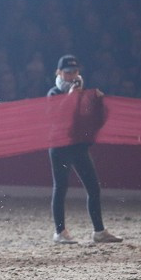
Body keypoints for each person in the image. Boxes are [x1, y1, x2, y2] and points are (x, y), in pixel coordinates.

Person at [47, 54, 121, 245]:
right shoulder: (54, 93)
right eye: (68, 72)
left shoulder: (84, 93)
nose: (72, 76)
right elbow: (57, 116)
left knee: (93, 187)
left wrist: (99, 104)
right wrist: (72, 96)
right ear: (59, 73)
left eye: (75, 72)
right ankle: (60, 232)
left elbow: (96, 120)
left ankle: (99, 231)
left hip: (79, 146)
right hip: (60, 146)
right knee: (61, 187)